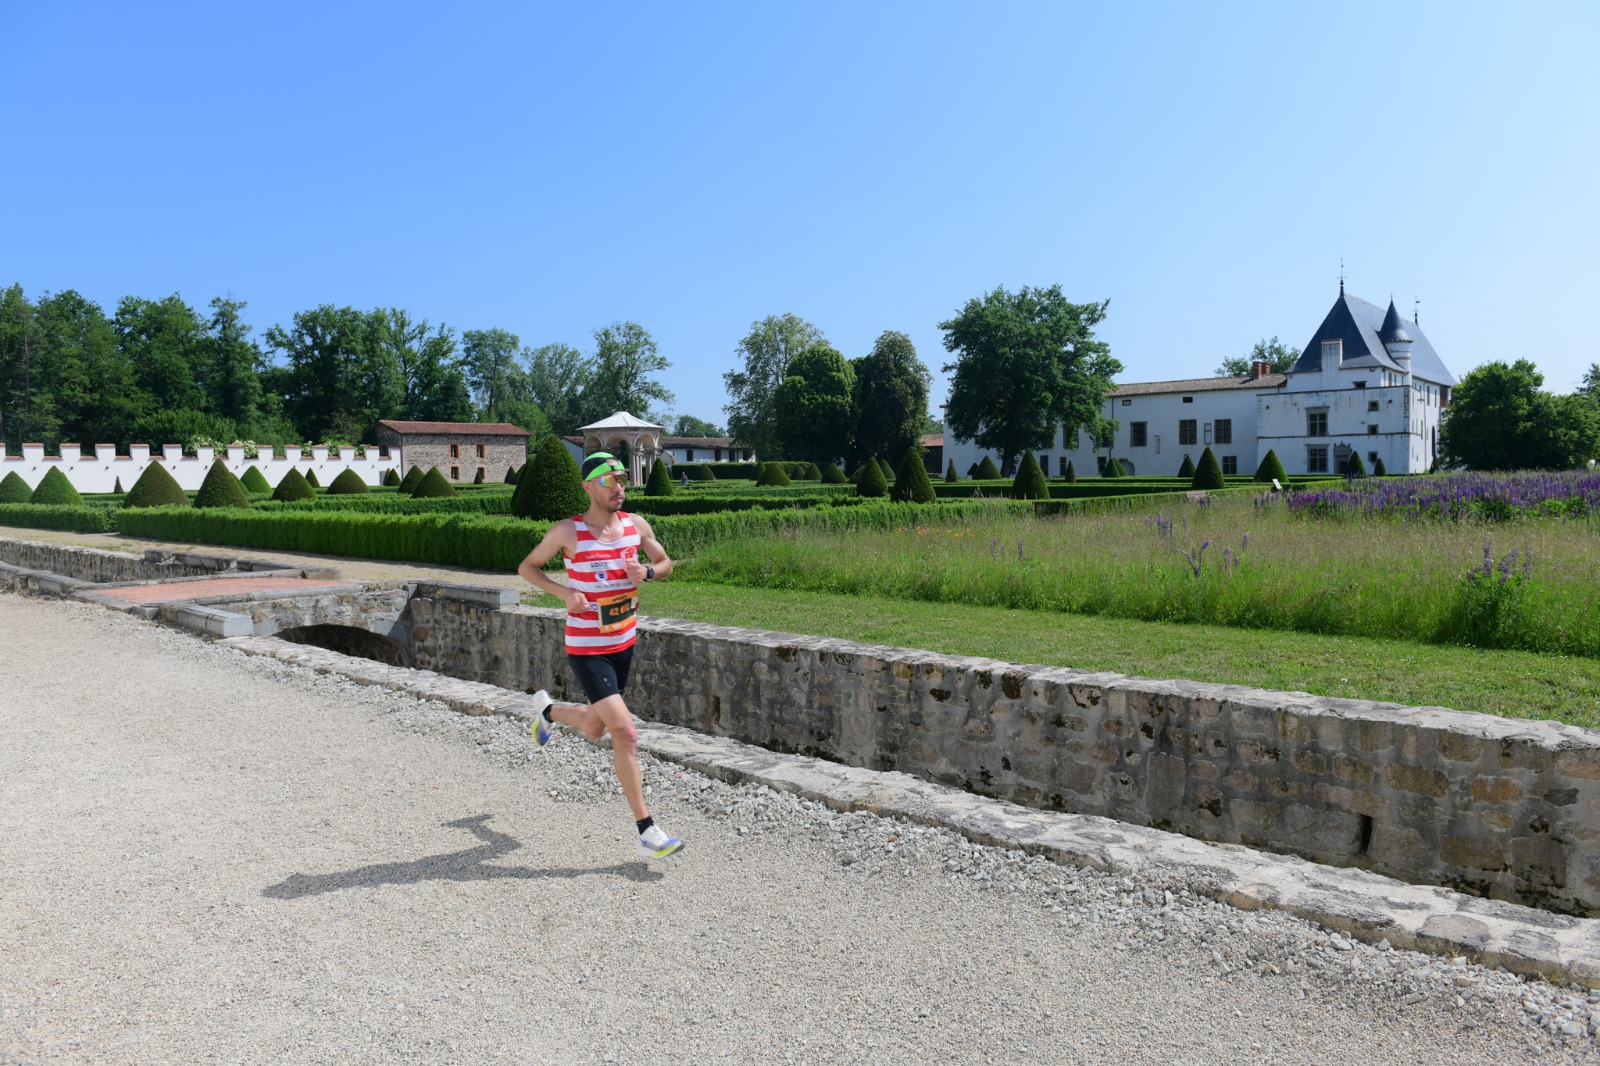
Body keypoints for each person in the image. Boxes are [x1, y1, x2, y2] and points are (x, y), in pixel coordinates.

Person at [516, 452, 684, 860]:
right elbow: (527, 567)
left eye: (622, 479)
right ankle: (647, 830)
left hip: (624, 643)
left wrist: (646, 572)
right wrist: (564, 593)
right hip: (588, 648)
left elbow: (666, 564)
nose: (619, 487)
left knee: (594, 727)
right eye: (609, 481)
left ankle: (548, 712)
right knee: (624, 732)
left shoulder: (635, 526)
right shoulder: (567, 532)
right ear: (588, 486)